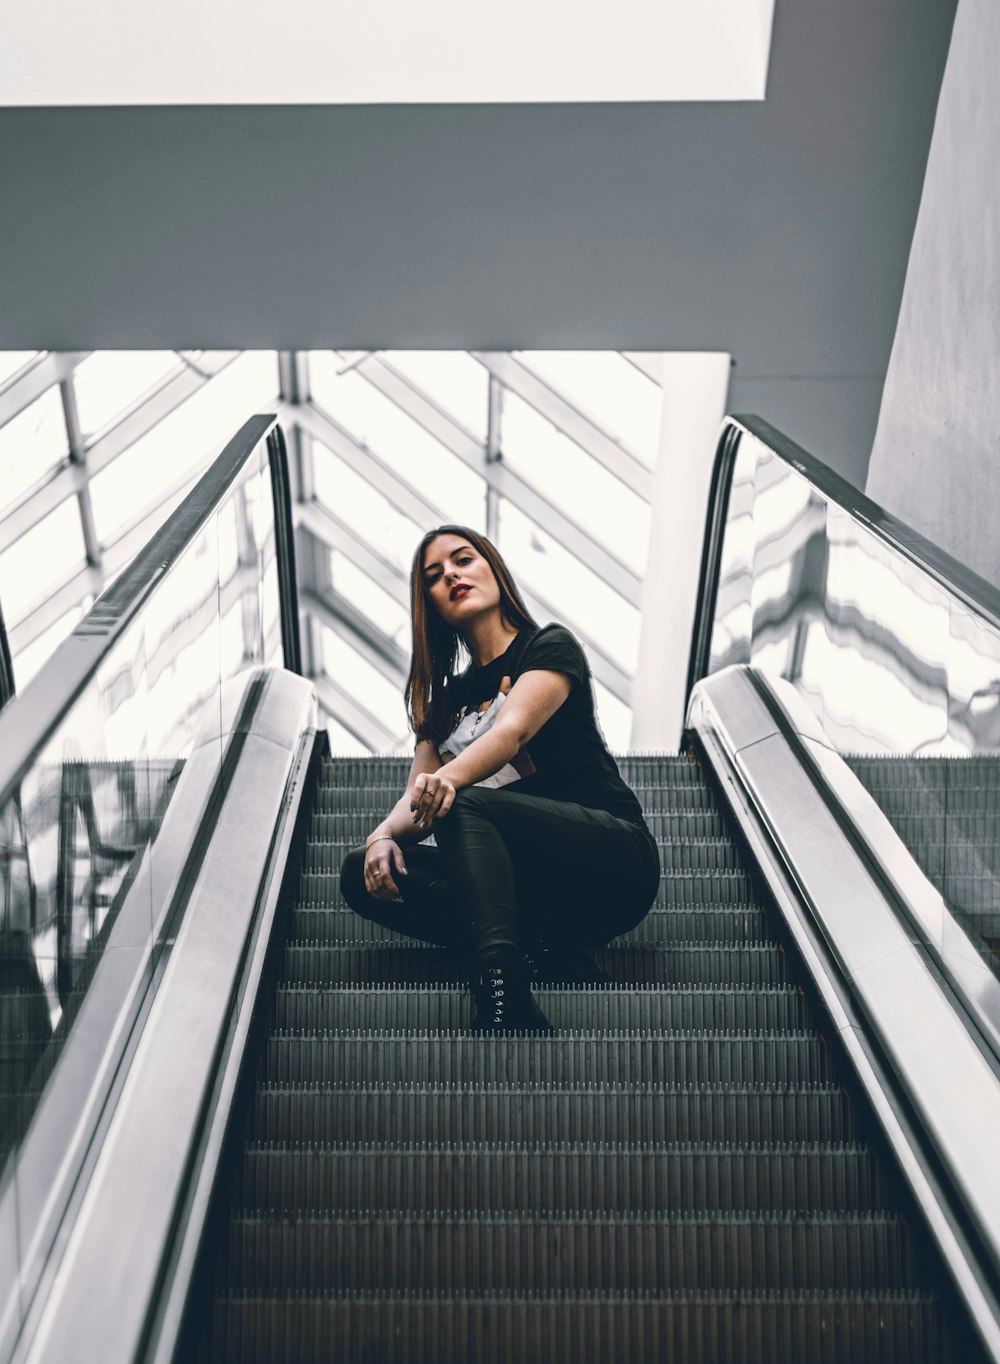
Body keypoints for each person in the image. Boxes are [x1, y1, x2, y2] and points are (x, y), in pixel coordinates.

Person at [339, 525, 660, 1034]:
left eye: (463, 560)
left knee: (459, 801)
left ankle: (498, 981)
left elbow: (512, 732)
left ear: (492, 568)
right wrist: (380, 837)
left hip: (608, 859)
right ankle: (543, 947)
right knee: (362, 871)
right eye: (435, 576)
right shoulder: (444, 699)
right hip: (529, 888)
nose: (452, 576)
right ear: (431, 605)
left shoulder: (548, 646)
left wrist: (447, 783)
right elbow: (416, 798)